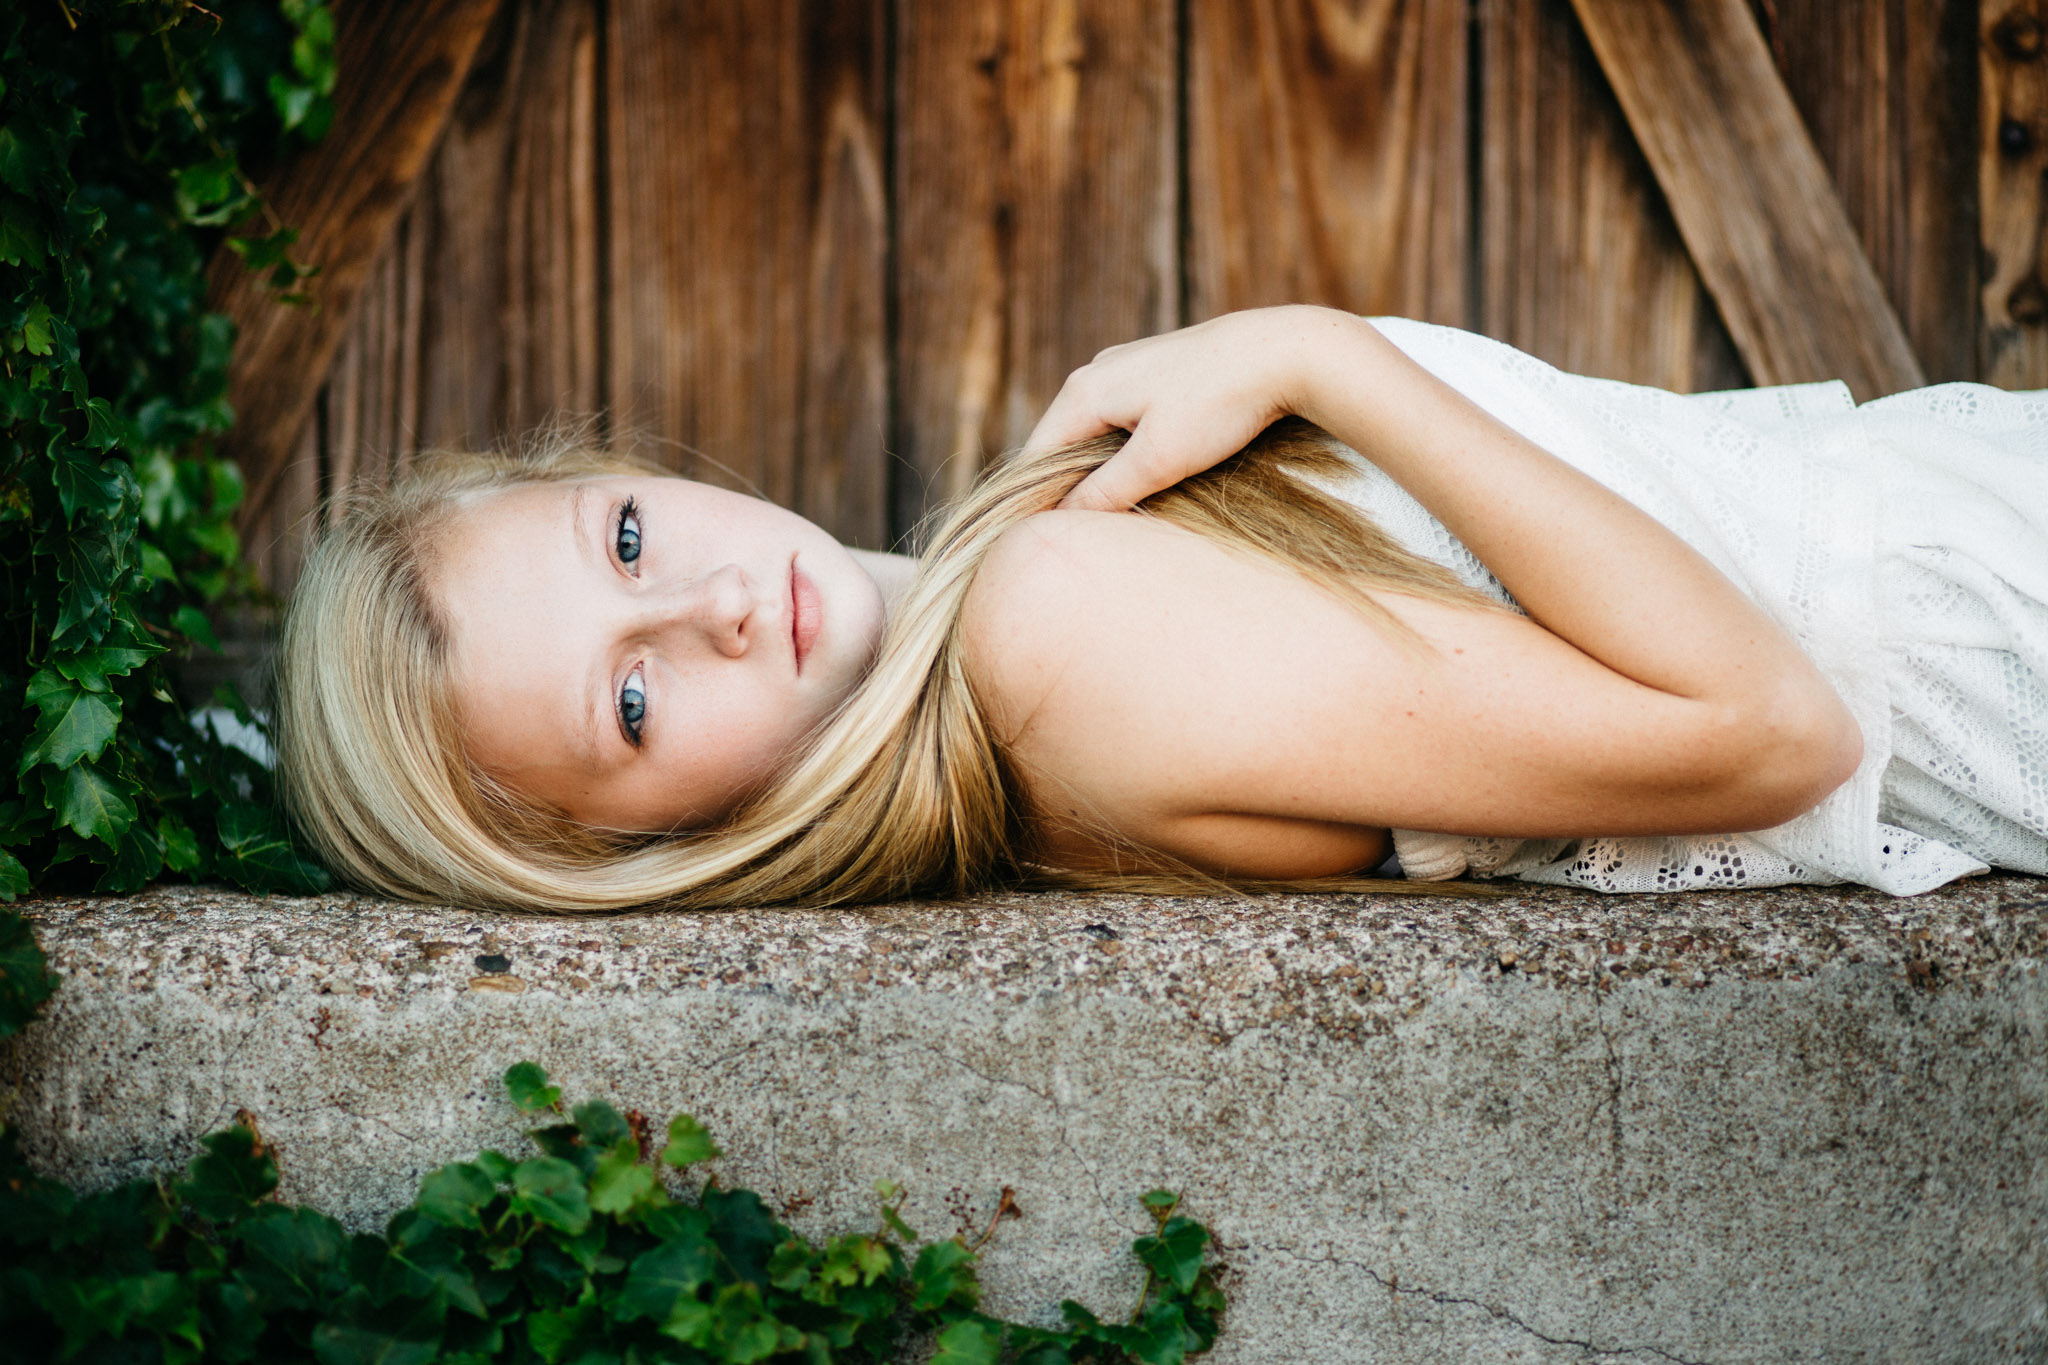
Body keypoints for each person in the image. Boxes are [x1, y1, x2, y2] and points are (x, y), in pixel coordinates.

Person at [274, 306, 2048, 912]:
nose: (719, 604)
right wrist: (1317, 355)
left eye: (627, 539)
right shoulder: (1047, 635)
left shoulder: (1029, 577)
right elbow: (1772, 731)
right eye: (631, 702)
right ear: (632, 850)